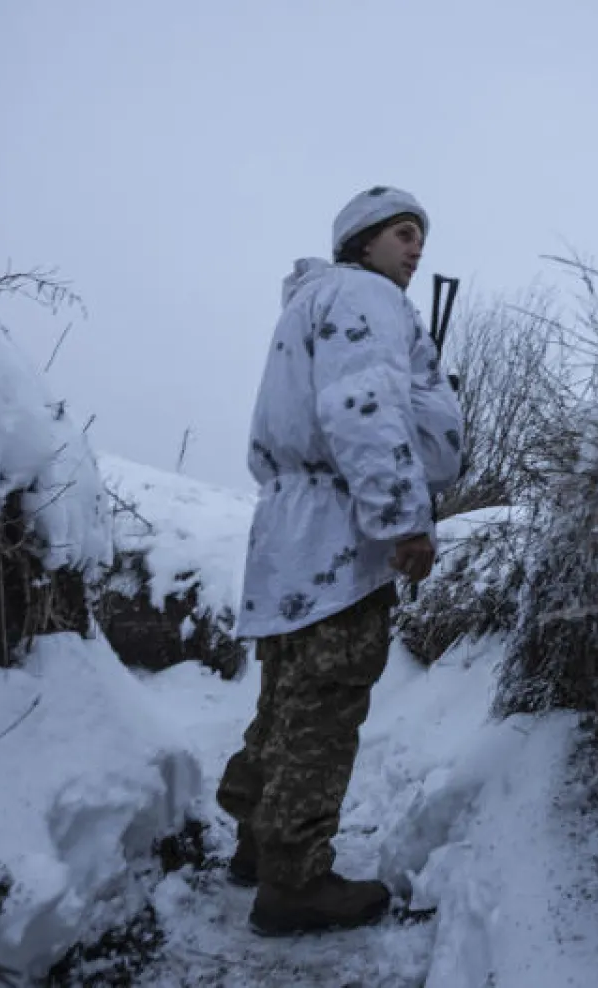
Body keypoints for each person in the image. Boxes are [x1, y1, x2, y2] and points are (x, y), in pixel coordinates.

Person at [215, 186, 464, 936]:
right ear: (361, 241)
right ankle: (293, 882)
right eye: (401, 233)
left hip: (291, 534)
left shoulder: (313, 302)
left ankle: (257, 843)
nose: (416, 248)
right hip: (340, 531)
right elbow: (362, 407)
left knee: (288, 696)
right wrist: (404, 521)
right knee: (325, 704)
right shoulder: (363, 296)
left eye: (421, 235)